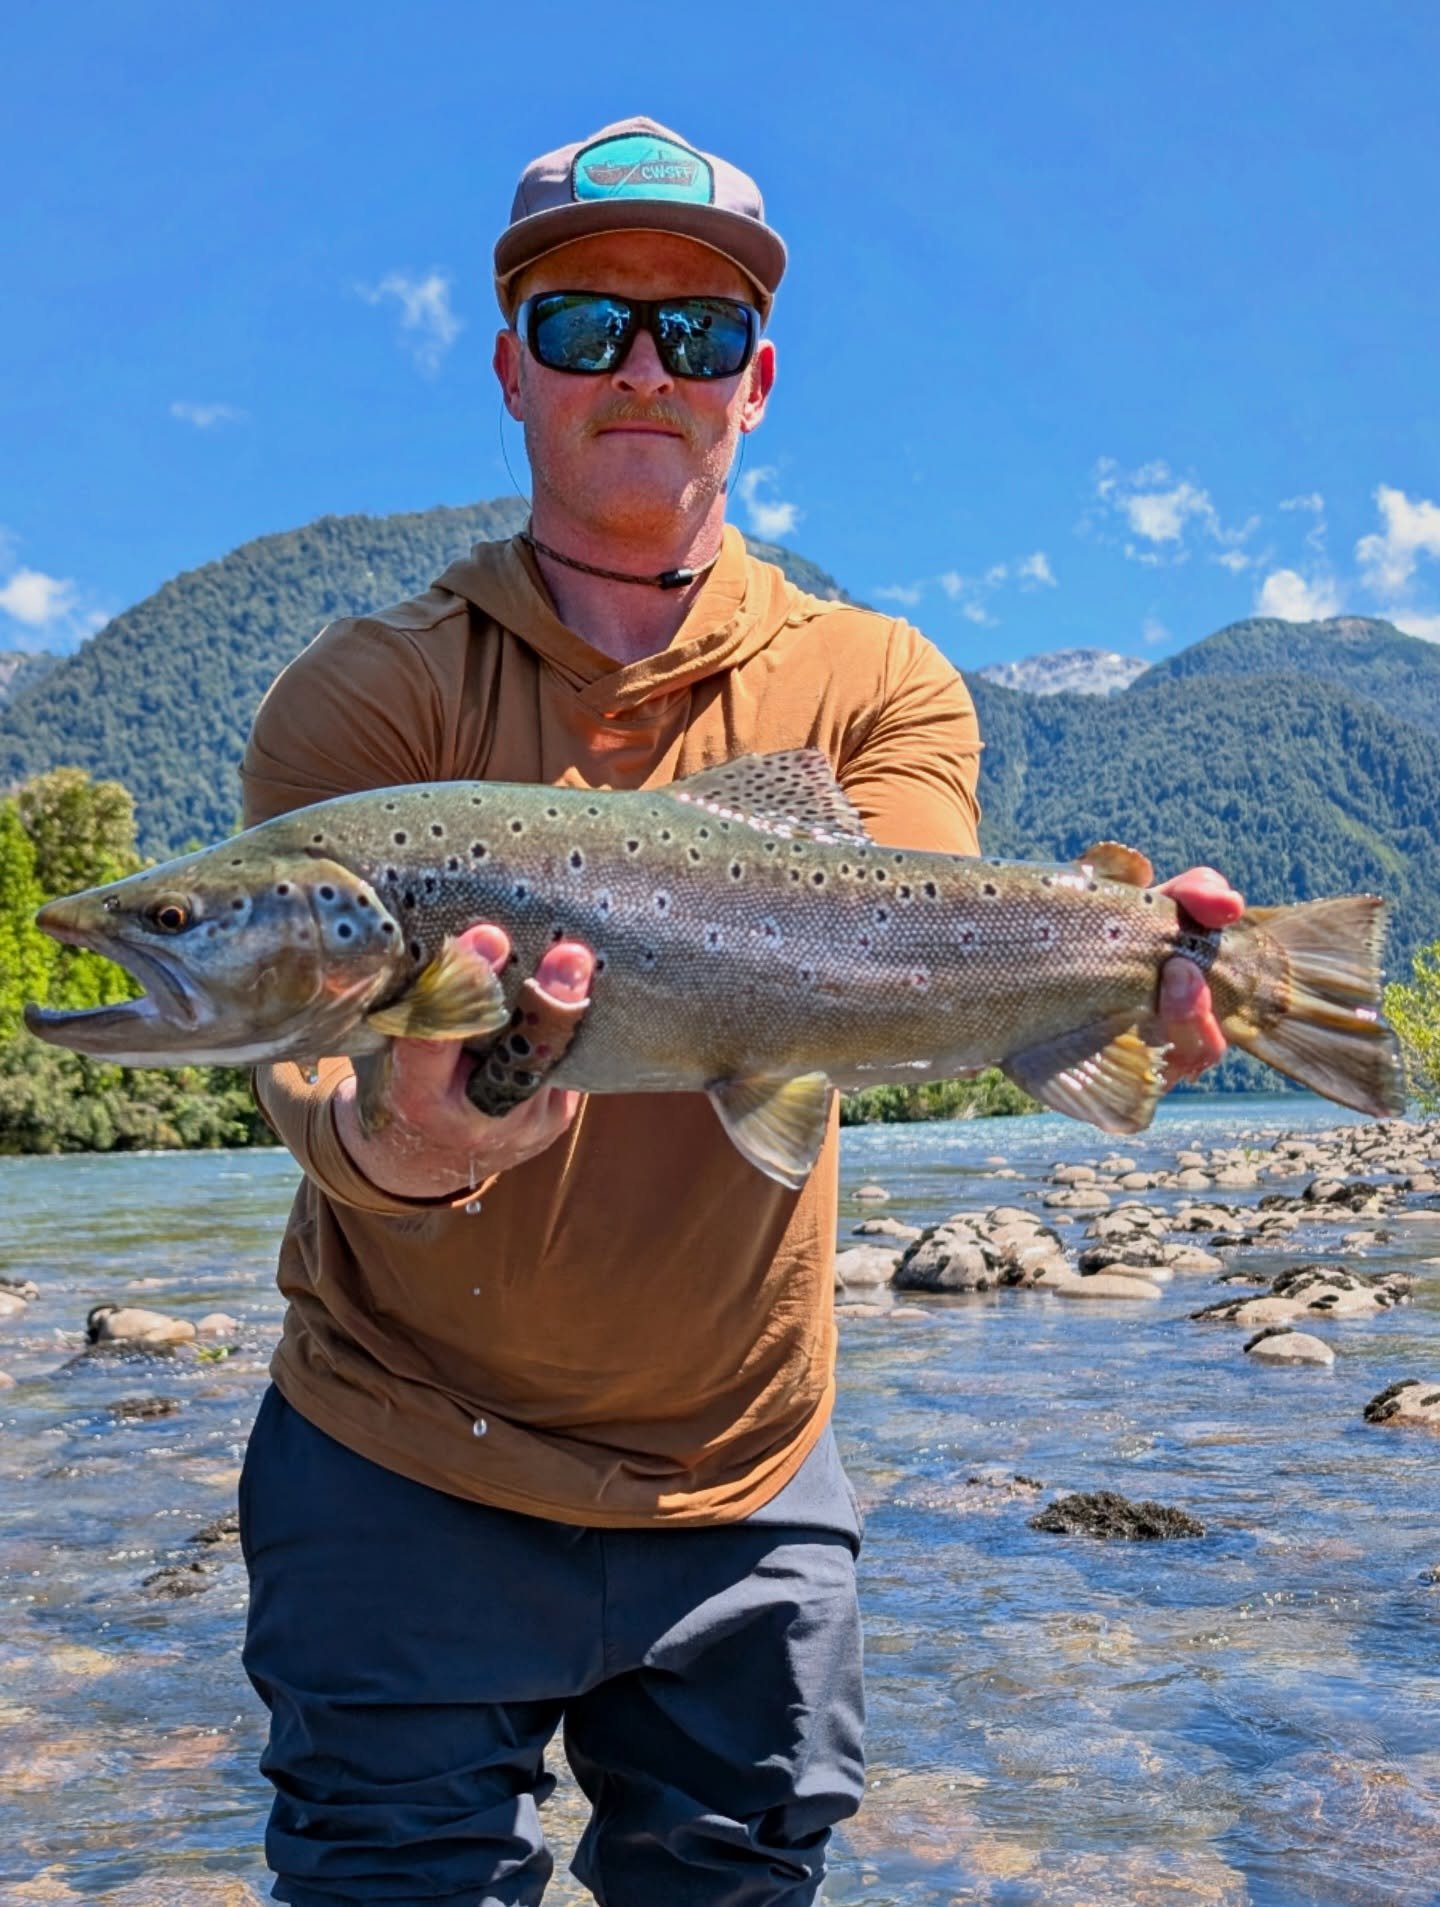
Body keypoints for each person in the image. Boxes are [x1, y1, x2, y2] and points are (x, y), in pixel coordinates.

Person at [238, 115, 1242, 1907]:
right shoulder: (371, 694)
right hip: (399, 1456)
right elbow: (295, 1050)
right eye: (583, 326)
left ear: (754, 383)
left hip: (747, 1481)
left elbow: (907, 939)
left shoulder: (877, 680)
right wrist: (401, 1144)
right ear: (509, 371)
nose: (643, 368)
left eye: (694, 333)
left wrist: (1109, 978)